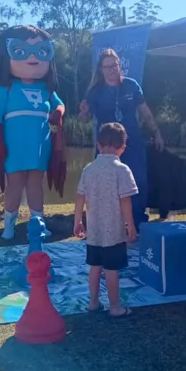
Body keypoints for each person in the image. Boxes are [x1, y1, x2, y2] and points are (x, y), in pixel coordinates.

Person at [0, 25, 64, 241]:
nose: (33, 57)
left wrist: (58, 113)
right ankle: (9, 226)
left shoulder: (47, 90)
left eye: (42, 51)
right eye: (20, 50)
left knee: (35, 184)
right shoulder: (6, 90)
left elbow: (60, 105)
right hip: (14, 147)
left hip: (40, 145)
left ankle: (38, 223)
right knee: (14, 184)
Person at [78, 49, 164, 230]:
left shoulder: (131, 86)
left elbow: (145, 112)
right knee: (105, 182)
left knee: (138, 180)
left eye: (114, 65)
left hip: (131, 143)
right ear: (101, 69)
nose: (111, 70)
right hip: (106, 146)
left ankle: (138, 222)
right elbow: (85, 119)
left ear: (120, 65)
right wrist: (84, 113)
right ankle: (106, 224)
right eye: (107, 66)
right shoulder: (95, 91)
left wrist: (156, 132)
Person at [73, 122, 138, 317]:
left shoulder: (88, 169)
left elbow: (79, 198)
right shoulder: (122, 170)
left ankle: (93, 302)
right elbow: (125, 202)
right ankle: (115, 306)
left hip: (94, 231)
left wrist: (77, 221)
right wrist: (131, 226)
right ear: (123, 148)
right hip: (114, 233)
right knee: (112, 269)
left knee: (95, 267)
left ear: (98, 145)